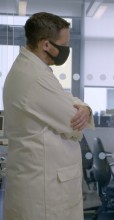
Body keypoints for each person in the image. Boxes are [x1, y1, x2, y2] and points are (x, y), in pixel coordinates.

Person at [3, 12, 94, 220]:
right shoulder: (34, 77)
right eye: (64, 44)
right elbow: (73, 123)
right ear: (46, 45)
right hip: (45, 189)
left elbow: (67, 99)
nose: (66, 50)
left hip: (43, 182)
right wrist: (82, 111)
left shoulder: (33, 69)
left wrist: (85, 109)